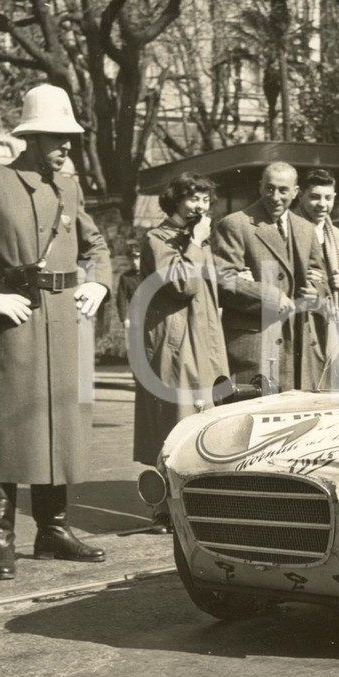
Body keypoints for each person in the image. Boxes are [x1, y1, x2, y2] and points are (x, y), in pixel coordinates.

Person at [0, 83, 112, 580]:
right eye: (57, 136)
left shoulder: (70, 187)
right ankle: (1, 538)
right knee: (10, 427)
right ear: (30, 138)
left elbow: (96, 246)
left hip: (67, 322)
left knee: (61, 426)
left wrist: (98, 284)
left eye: (70, 137)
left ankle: (52, 530)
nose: (67, 146)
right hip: (20, 320)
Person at [131, 174, 229, 533]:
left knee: (205, 420)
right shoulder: (158, 239)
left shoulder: (195, 239)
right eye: (192, 199)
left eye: (204, 199)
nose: (200, 207)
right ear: (174, 201)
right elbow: (182, 285)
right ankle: (166, 509)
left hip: (204, 341)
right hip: (177, 346)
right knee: (176, 421)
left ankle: (196, 503)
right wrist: (196, 244)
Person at [211, 161, 326, 392]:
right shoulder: (236, 224)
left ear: (296, 192)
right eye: (269, 188)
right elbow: (223, 279)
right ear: (260, 187)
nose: (275, 196)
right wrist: (269, 295)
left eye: (283, 190)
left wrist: (317, 291)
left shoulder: (306, 229)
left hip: (298, 346)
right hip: (256, 347)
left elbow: (320, 276)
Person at [295, 168, 339, 383]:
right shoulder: (293, 227)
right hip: (303, 317)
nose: (322, 204)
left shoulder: (335, 233)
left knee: (328, 377)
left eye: (328, 198)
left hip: (329, 318)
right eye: (315, 197)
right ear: (301, 196)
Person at [115, 241, 142, 333]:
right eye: (132, 259)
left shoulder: (150, 274)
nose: (135, 262)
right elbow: (121, 299)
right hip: (135, 318)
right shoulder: (125, 277)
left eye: (138, 258)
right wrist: (124, 319)